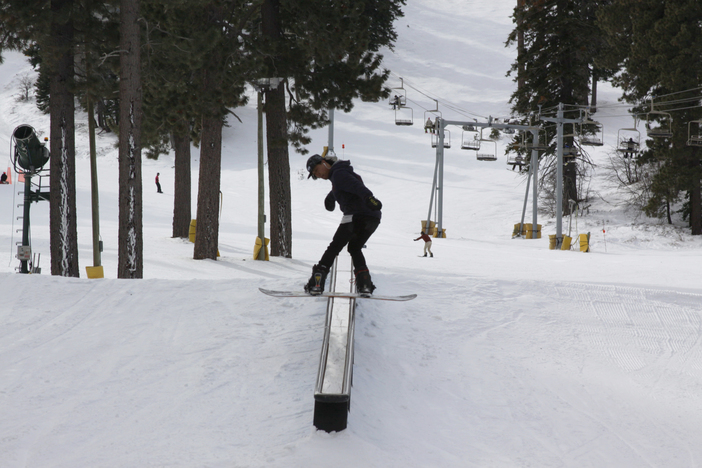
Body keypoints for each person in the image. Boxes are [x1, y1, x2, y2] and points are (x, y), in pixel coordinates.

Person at [305, 154, 382, 295]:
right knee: (354, 247)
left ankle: (317, 282)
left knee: (334, 247)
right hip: (373, 217)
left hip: (356, 216)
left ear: (323, 162)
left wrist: (369, 197)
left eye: (316, 170)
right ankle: (364, 284)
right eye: (315, 174)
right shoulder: (340, 173)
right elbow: (346, 186)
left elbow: (356, 186)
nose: (318, 175)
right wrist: (330, 197)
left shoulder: (339, 174)